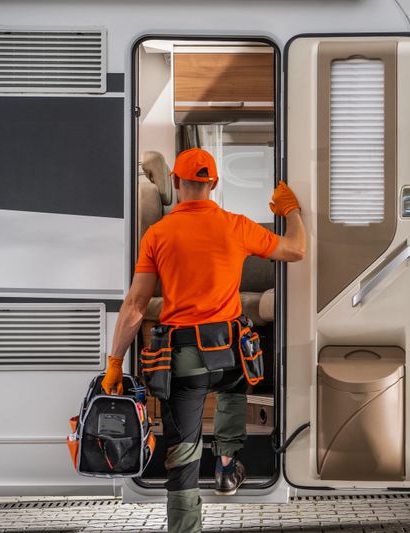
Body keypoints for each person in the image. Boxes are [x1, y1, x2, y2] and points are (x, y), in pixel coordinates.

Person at [99, 147, 305, 533]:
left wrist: (114, 363)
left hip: (183, 361)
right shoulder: (236, 225)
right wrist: (290, 210)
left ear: (176, 182)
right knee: (234, 386)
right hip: (229, 355)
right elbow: (296, 249)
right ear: (214, 183)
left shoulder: (158, 234)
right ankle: (226, 464)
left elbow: (136, 306)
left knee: (183, 456)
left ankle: (185, 526)